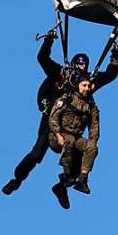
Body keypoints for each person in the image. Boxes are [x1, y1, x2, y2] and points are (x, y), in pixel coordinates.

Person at [1, 30, 118, 195]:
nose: (79, 76)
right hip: (51, 123)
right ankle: (17, 180)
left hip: (72, 129)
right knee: (36, 155)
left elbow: (110, 75)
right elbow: (42, 58)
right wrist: (48, 41)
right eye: (76, 70)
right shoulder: (60, 74)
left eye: (82, 71)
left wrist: (114, 56)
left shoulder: (87, 83)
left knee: (78, 165)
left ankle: (61, 187)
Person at [48, 75, 100, 209]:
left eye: (88, 86)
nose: (86, 89)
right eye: (84, 85)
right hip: (57, 136)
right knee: (69, 140)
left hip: (75, 138)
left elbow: (94, 125)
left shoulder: (90, 105)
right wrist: (58, 135)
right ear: (78, 85)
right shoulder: (67, 98)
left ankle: (82, 179)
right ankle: (66, 174)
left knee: (91, 146)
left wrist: (93, 140)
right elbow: (53, 117)